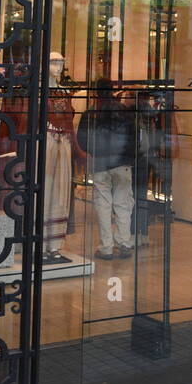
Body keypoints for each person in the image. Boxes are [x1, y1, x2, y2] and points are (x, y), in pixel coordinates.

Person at [76, 79, 137, 260]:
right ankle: (124, 243)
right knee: (123, 204)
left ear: (95, 93)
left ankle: (106, 247)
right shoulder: (124, 111)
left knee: (103, 205)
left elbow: (82, 139)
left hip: (101, 163)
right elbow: (134, 137)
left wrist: (93, 152)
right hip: (122, 163)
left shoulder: (91, 113)